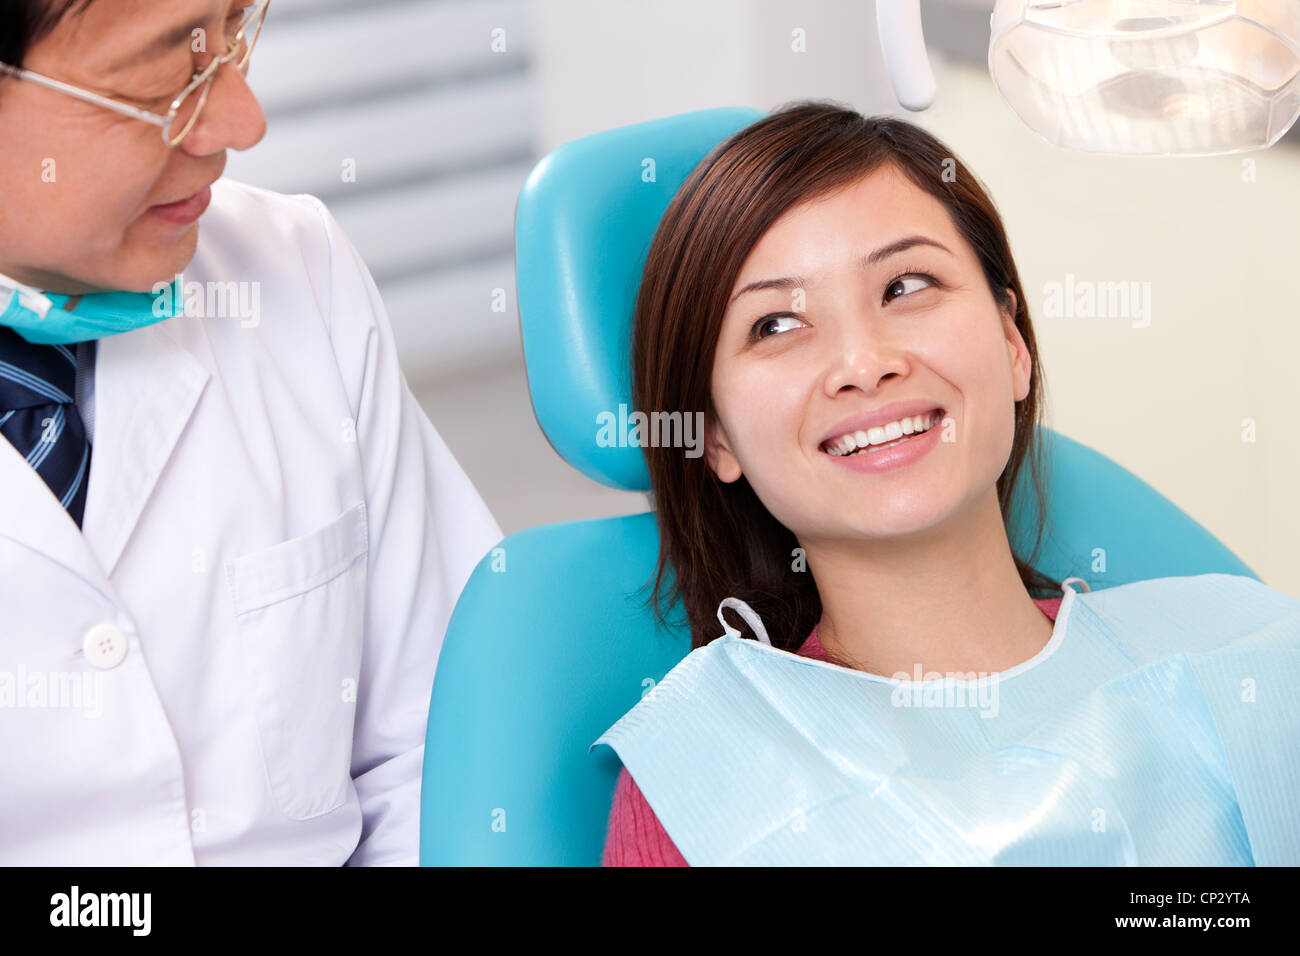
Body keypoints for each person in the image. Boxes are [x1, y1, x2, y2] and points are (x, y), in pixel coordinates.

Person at [598, 101, 1300, 866]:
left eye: (906, 285)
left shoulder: (1248, 647)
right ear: (716, 435)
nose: (865, 363)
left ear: (1012, 344)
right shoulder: (705, 789)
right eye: (776, 325)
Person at [0, 0, 502, 865]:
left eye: (233, 33)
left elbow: (442, 750)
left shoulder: (294, 270)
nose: (242, 120)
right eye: (167, 70)